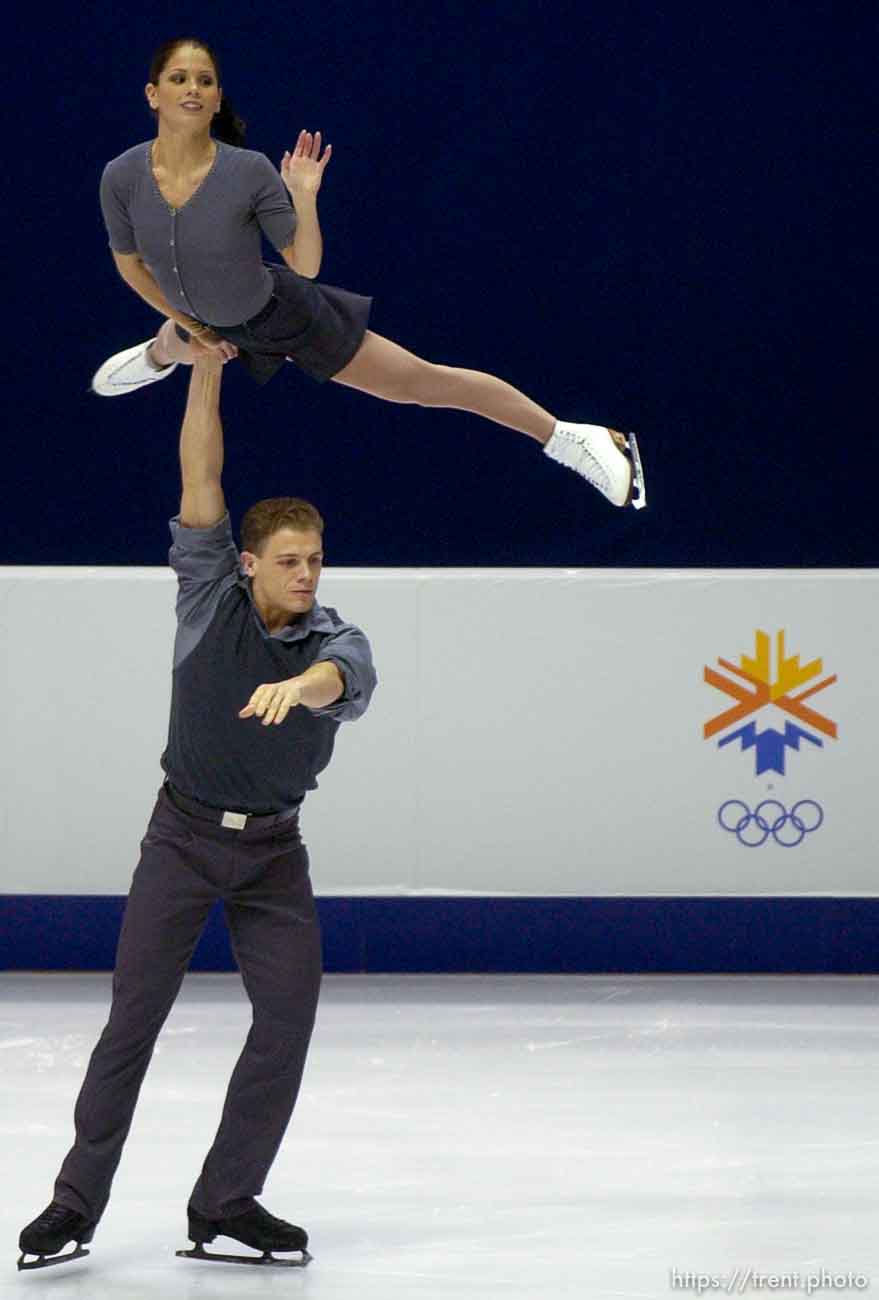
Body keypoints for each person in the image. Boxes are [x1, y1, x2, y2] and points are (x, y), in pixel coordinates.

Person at [18, 352, 378, 1271]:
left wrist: (301, 686)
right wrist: (205, 370)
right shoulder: (207, 595)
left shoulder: (334, 639)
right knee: (131, 1021)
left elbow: (345, 676)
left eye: (317, 559)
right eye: (291, 561)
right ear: (249, 562)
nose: (307, 574)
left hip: (273, 857)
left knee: (287, 1019)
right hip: (179, 838)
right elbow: (201, 474)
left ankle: (225, 1200)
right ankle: (73, 1203)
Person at [91, 37, 646, 511]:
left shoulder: (248, 171)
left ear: (216, 100)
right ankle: (156, 356)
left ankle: (573, 437)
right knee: (184, 337)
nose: (192, 88)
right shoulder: (122, 176)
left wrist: (304, 198)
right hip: (203, 317)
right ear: (153, 93)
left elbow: (305, 266)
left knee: (423, 384)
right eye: (179, 77)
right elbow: (129, 264)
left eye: (205, 80)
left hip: (285, 315)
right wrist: (194, 325)